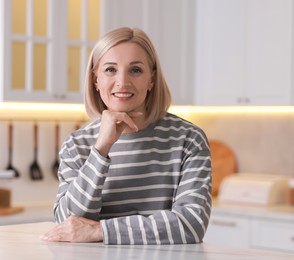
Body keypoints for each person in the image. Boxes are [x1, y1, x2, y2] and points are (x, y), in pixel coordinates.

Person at [41, 27, 212, 245]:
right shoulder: (77, 144)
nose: (122, 82)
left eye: (136, 70)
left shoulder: (188, 139)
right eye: (110, 70)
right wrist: (101, 149)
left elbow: (191, 225)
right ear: (96, 80)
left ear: (151, 79)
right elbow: (69, 223)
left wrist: (99, 230)